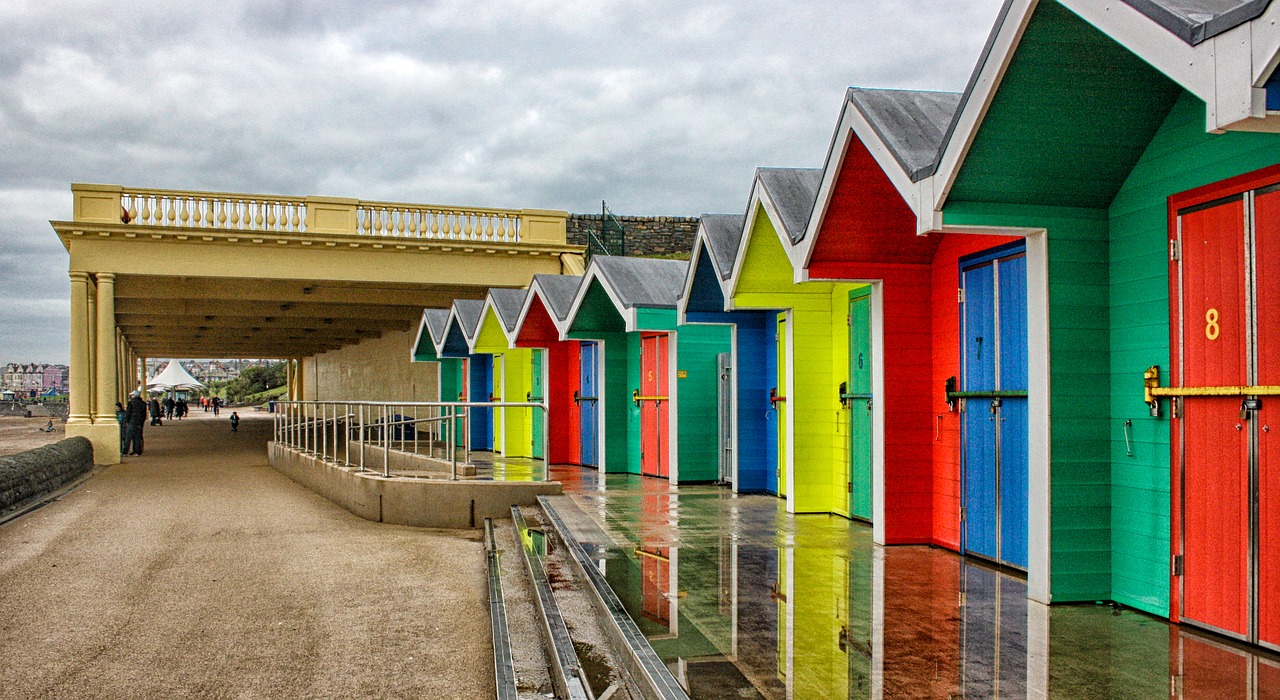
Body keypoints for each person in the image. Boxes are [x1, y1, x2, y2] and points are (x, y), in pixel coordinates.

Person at [123, 391, 147, 455]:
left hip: (132, 422)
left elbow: (128, 413)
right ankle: (137, 451)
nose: (131, 396)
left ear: (134, 395)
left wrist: (127, 421)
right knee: (137, 438)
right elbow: (144, 415)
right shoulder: (143, 403)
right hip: (139, 423)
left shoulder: (131, 403)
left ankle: (125, 451)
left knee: (128, 437)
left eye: (132, 395)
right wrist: (141, 423)